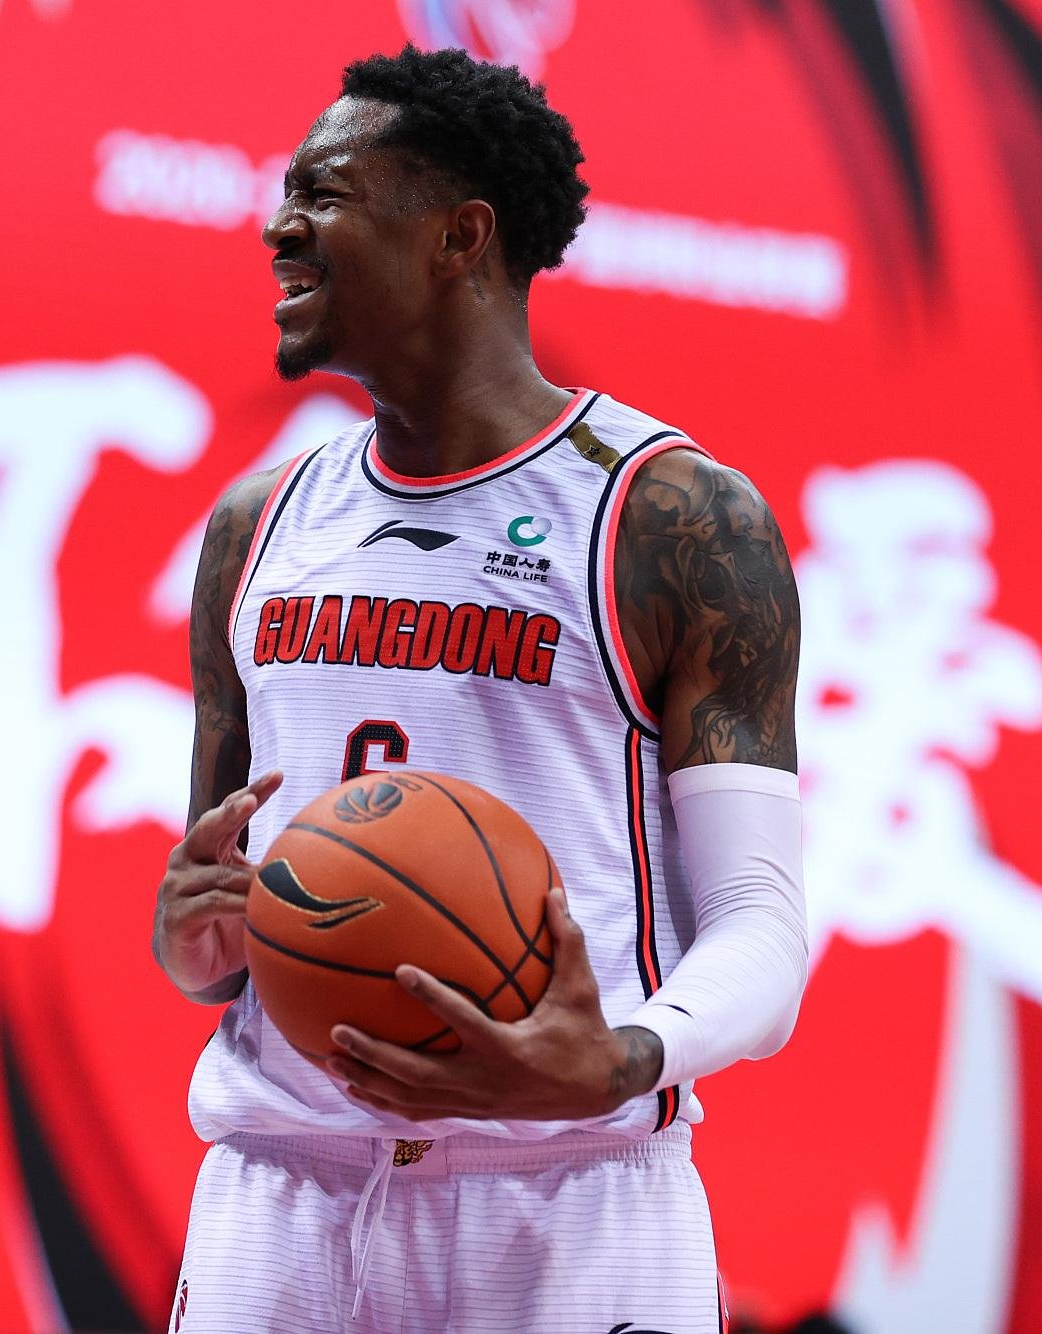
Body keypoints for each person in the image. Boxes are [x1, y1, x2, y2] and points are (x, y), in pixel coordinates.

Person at [152, 46, 810, 1332]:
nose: (279, 228)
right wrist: (194, 939)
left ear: (459, 235)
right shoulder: (254, 524)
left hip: (569, 1197)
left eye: (322, 194)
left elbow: (761, 924)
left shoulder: (668, 516)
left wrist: (618, 1057)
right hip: (282, 1195)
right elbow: (218, 934)